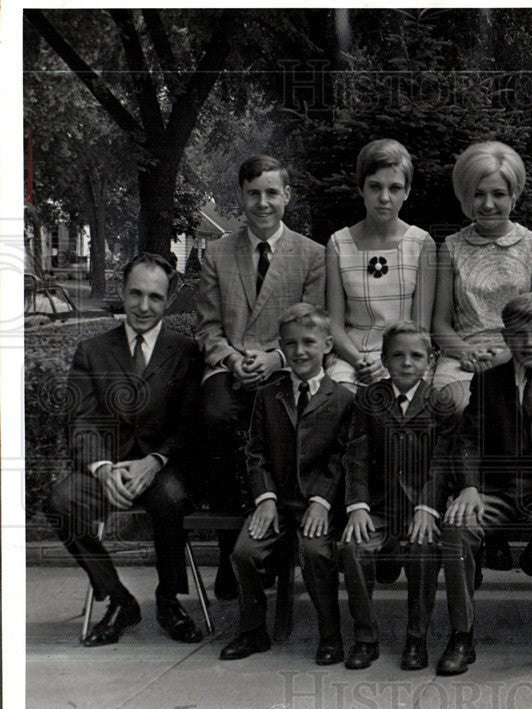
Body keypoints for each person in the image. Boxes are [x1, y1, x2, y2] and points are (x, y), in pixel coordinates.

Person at [45, 252, 204, 646]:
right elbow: (79, 421)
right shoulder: (93, 351)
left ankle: (169, 598)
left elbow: (191, 426)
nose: (144, 306)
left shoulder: (185, 351)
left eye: (154, 297)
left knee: (170, 497)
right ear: (121, 291)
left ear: (168, 301)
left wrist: (155, 460)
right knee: (62, 503)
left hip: (161, 467)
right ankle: (119, 598)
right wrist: (102, 467)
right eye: (135, 294)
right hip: (107, 469)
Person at [195, 154, 326, 600]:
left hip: (284, 367)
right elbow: (208, 326)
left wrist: (276, 360)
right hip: (229, 367)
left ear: (286, 196)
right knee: (216, 420)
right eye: (254, 194)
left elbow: (312, 326)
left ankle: (275, 549)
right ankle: (232, 552)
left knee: (282, 426)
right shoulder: (217, 252)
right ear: (241, 197)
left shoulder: (311, 255)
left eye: (272, 192)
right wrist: (232, 360)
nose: (263, 203)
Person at [438, 293, 532, 677]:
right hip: (497, 491)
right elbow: (467, 439)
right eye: (520, 334)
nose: (530, 342)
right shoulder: (489, 381)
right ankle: (461, 633)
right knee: (457, 526)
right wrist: (469, 487)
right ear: (506, 336)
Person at [219, 304, 354, 665]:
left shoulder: (342, 400)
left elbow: (341, 458)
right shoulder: (269, 393)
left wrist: (323, 502)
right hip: (276, 502)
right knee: (245, 552)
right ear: (281, 346)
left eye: (309, 342)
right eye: (291, 344)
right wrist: (264, 497)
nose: (299, 351)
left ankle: (330, 633)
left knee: (315, 551)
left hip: (317, 504)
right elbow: (256, 452)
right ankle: (252, 631)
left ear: (328, 345)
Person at [340, 322, 457, 670]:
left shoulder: (440, 402)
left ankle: (416, 637)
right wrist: (357, 506)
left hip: (418, 509)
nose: (407, 362)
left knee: (424, 549)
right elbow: (356, 456)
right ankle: (365, 637)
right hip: (377, 505)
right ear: (384, 359)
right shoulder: (369, 400)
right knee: (353, 547)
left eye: (416, 356)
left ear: (430, 361)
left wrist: (428, 506)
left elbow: (442, 462)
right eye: (398, 355)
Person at [431, 141, 532, 413]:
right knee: (456, 406)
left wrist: (507, 356)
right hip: (462, 357)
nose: (488, 204)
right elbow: (439, 323)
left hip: (523, 354)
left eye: (498, 194)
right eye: (478, 194)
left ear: (513, 195)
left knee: (526, 408)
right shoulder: (450, 247)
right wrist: (465, 353)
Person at [325, 139, 437, 390]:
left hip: (405, 355)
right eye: (375, 187)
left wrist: (388, 364)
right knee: (337, 402)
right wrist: (359, 361)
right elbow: (334, 325)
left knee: (396, 409)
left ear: (407, 191)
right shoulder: (338, 244)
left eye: (395, 188)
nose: (384, 198)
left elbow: (420, 327)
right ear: (361, 188)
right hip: (352, 356)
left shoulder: (421, 244)